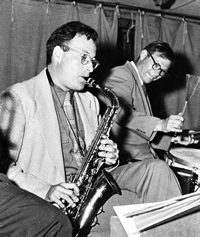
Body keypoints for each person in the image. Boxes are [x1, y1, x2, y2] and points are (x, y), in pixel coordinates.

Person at [0, 22, 182, 237]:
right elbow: (4, 167)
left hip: (89, 183)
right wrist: (46, 190)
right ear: (58, 54)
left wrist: (110, 155)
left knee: (157, 169)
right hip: (53, 192)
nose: (91, 68)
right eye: (84, 58)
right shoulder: (19, 97)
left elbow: (96, 154)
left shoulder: (90, 101)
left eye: (93, 61)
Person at [99, 41, 197, 164]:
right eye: (156, 65)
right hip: (127, 158)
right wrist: (161, 124)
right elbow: (118, 111)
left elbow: (141, 133)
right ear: (144, 54)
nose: (157, 73)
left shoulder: (139, 82)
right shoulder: (122, 74)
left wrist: (175, 138)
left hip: (142, 157)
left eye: (162, 71)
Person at [0, 131, 72, 236]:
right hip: (43, 192)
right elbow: (6, 166)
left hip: (76, 190)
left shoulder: (92, 113)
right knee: (55, 222)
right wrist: (45, 190)